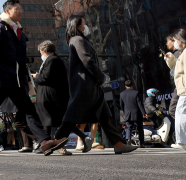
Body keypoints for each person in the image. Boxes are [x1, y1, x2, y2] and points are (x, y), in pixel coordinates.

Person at [0, 0, 66, 157]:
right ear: (8, 11)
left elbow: (21, 59)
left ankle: (44, 142)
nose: (21, 11)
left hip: (15, 80)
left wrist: (23, 78)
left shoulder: (18, 32)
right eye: (17, 9)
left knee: (29, 110)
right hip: (1, 79)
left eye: (21, 8)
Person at [54, 15, 137, 154]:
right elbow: (86, 60)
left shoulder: (79, 39)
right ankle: (56, 142)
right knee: (72, 117)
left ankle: (118, 144)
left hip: (90, 85)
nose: (86, 26)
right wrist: (101, 76)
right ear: (78, 26)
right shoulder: (77, 39)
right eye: (84, 24)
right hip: (85, 86)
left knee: (105, 115)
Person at [32, 41, 88, 155]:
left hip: (52, 97)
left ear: (45, 50)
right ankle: (84, 138)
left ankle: (47, 145)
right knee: (58, 121)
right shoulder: (53, 60)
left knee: (49, 120)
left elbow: (45, 77)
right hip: (52, 96)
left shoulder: (52, 60)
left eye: (41, 52)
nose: (41, 55)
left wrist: (36, 76)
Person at [120, 80, 146, 148]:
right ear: (132, 86)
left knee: (128, 127)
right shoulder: (136, 93)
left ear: (125, 86)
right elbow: (140, 104)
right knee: (140, 128)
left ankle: (128, 139)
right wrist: (144, 113)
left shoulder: (122, 94)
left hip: (127, 113)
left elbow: (121, 105)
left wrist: (125, 112)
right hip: (137, 113)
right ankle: (141, 143)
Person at [165, 34, 182, 120]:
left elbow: (178, 70)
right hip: (180, 86)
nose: (167, 44)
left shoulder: (178, 53)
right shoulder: (177, 53)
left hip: (181, 86)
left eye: (168, 41)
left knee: (172, 110)